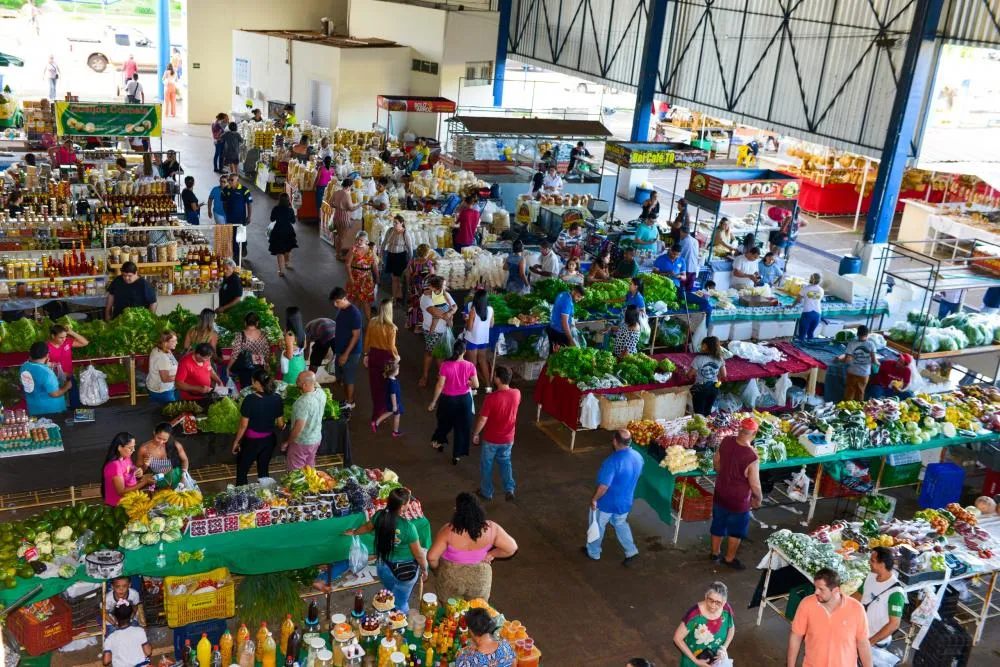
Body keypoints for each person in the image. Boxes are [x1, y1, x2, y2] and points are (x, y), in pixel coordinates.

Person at [344, 488, 428, 613]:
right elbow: (419, 555)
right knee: (400, 604)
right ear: (403, 507)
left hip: (383, 566)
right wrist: (425, 568)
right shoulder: (408, 527)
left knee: (389, 594)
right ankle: (397, 625)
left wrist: (354, 532)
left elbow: (367, 527)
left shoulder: (379, 515)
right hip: (404, 571)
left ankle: (386, 612)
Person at [428, 491, 518, 603]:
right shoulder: (491, 528)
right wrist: (491, 554)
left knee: (451, 612)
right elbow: (512, 548)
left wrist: (437, 569)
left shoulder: (448, 530)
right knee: (476, 609)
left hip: (451, 578)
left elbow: (432, 557)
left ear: (457, 510)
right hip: (480, 578)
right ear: (478, 509)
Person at [787, 568, 873, 667]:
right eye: (815, 587)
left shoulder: (856, 608)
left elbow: (863, 644)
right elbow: (796, 637)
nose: (816, 592)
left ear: (836, 590)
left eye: (821, 589)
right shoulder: (807, 604)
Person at [711, 417, 762, 569]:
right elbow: (755, 484)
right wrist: (758, 499)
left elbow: (716, 461)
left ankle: (714, 553)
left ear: (740, 430)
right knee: (736, 531)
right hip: (738, 501)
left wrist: (722, 473)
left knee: (718, 523)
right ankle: (729, 559)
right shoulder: (752, 457)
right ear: (754, 434)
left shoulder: (726, 441)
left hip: (720, 493)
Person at [586, 429, 643, 564]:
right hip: (625, 502)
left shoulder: (612, 462)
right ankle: (631, 551)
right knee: (621, 524)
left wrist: (594, 499)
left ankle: (593, 552)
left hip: (607, 503)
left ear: (615, 441)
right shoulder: (638, 457)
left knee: (598, 525)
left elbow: (604, 486)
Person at [473, 366, 521, 502]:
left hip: (491, 439)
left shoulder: (492, 398)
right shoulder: (517, 393)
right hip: (508, 438)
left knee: (486, 465)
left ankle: (486, 492)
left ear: (498, 379)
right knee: (505, 462)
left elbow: (483, 419)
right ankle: (509, 489)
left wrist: (476, 433)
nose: (493, 377)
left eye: (494, 375)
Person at [429, 339, 478, 465]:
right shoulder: (470, 365)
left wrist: (434, 402)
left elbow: (440, 385)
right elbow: (476, 385)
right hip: (464, 401)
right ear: (464, 352)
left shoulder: (445, 365)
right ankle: (456, 455)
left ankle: (438, 441)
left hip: (448, 400)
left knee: (444, 422)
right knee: (462, 427)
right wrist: (468, 383)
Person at [232, 369, 284, 485]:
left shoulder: (250, 399)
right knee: (264, 470)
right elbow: (280, 423)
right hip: (269, 441)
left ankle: (242, 497)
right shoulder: (277, 398)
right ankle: (265, 496)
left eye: (252, 380)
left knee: (242, 471)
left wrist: (236, 441)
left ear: (256, 383)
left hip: (252, 442)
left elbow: (243, 425)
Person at [673, 582, 735, 667]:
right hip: (694, 659)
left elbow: (731, 629)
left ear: (724, 602)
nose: (713, 605)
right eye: (710, 600)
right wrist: (696, 661)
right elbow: (677, 638)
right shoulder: (695, 615)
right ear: (706, 597)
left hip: (715, 658)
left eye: (718, 602)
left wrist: (723, 648)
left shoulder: (726, 610)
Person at [855, 547, 905, 649]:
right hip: (861, 632)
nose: (869, 562)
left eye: (872, 561)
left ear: (882, 564)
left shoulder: (896, 593)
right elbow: (858, 595)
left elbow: (894, 624)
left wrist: (870, 642)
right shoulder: (870, 576)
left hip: (875, 642)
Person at [364, 299, 400, 424]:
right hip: (386, 359)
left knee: (375, 388)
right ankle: (382, 414)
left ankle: (376, 414)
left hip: (374, 356)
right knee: (386, 388)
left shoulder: (372, 322)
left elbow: (367, 340)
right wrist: (397, 357)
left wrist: (366, 354)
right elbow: (391, 347)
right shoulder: (391, 327)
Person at [282, 371, 326, 470]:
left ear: (305, 385)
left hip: (302, 442)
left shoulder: (302, 402)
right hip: (316, 439)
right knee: (309, 468)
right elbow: (314, 382)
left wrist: (288, 442)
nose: (296, 381)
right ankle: (310, 484)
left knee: (295, 473)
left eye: (298, 380)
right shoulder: (321, 393)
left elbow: (299, 427)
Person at [419, 276, 456, 386]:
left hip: (444, 329)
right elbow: (436, 313)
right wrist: (449, 315)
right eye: (443, 285)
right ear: (434, 287)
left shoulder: (445, 293)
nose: (445, 287)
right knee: (430, 353)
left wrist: (449, 314)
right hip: (434, 331)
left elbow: (454, 306)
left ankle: (441, 376)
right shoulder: (425, 298)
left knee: (441, 355)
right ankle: (425, 376)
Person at [331, 287, 363, 409]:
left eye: (337, 302)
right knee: (343, 373)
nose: (335, 304)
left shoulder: (354, 314)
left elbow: (356, 336)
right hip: (341, 348)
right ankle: (346, 396)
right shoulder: (342, 309)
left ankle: (350, 402)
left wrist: (345, 354)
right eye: (334, 302)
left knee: (349, 377)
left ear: (345, 299)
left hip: (351, 352)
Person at [101, 432, 153, 506]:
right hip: (118, 505)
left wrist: (144, 467)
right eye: (130, 448)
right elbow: (121, 491)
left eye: (134, 447)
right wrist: (144, 482)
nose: (134, 450)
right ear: (119, 448)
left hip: (130, 499)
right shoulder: (114, 466)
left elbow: (132, 471)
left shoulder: (126, 458)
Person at [20, 341, 70, 416]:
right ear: (47, 355)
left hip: (33, 410)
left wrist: (46, 365)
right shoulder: (47, 373)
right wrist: (67, 386)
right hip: (52, 413)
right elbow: (54, 394)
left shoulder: (24, 366)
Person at [228, 312, 271, 389]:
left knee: (246, 389)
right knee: (258, 388)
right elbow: (267, 352)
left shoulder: (240, 335)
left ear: (245, 323)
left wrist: (228, 368)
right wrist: (267, 363)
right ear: (257, 323)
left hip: (245, 368)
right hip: (259, 367)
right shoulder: (263, 335)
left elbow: (235, 354)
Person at [137, 422, 189, 486]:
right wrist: (145, 465)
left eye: (165, 439)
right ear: (154, 432)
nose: (161, 442)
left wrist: (184, 476)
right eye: (159, 438)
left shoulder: (175, 445)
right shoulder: (144, 449)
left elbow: (185, 460)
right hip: (159, 479)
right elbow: (139, 469)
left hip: (178, 476)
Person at [102, 601, 151, 667]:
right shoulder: (139, 631)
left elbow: (106, 661)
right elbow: (148, 652)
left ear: (114, 618)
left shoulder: (110, 638)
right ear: (131, 615)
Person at [689, 336, 727, 416]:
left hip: (701, 389)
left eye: (702, 345)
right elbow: (724, 375)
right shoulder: (720, 358)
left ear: (705, 346)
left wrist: (686, 373)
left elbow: (689, 375)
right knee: (707, 411)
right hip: (714, 388)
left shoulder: (699, 359)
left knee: (699, 413)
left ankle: (700, 426)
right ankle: (707, 426)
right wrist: (715, 376)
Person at [839, 325, 878, 401]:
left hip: (852, 371)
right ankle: (858, 410)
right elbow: (874, 361)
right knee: (860, 392)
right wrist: (878, 363)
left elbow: (847, 359)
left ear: (857, 334)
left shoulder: (852, 343)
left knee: (849, 391)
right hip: (864, 373)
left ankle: (846, 409)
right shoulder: (871, 344)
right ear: (867, 334)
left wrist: (839, 359)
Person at [345, 231, 377, 323]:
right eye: (357, 239)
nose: (359, 241)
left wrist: (377, 278)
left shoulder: (371, 250)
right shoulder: (353, 250)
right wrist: (350, 278)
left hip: (367, 278)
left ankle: (368, 322)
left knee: (366, 301)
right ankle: (355, 321)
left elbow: (374, 265)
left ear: (366, 241)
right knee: (356, 299)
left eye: (361, 240)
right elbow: (347, 264)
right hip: (356, 277)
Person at [464, 289, 494, 388]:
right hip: (483, 340)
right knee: (483, 361)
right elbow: (491, 325)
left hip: (472, 339)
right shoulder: (490, 309)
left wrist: (467, 319)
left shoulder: (472, 310)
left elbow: (469, 328)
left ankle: (473, 388)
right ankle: (488, 386)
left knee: (472, 364)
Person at [382, 215, 414, 303]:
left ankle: (404, 297)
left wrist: (410, 262)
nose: (394, 224)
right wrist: (381, 254)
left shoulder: (405, 233)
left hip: (401, 257)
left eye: (396, 222)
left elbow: (410, 248)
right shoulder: (390, 230)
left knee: (401, 278)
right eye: (393, 222)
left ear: (402, 223)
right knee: (393, 278)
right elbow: (384, 242)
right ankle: (394, 297)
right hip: (391, 256)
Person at [222, 173, 253, 257]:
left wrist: (249, 217)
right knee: (232, 237)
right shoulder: (225, 190)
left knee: (240, 235)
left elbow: (249, 204)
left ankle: (243, 246)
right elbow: (224, 203)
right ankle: (235, 255)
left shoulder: (244, 190)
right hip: (230, 218)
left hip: (241, 219)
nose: (230, 181)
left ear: (237, 181)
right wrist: (226, 213)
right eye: (229, 180)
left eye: (232, 180)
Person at [331, 179, 362, 261]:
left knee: (338, 236)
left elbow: (331, 203)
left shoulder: (336, 192)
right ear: (349, 186)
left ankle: (337, 253)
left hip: (336, 216)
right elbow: (351, 208)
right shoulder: (347, 195)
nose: (352, 187)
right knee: (341, 237)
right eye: (352, 185)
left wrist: (338, 207)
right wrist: (360, 205)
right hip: (344, 218)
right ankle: (339, 255)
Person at [547, 284, 585, 350]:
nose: (579, 299)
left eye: (581, 298)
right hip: (559, 333)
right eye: (578, 296)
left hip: (553, 328)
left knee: (553, 356)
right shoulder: (567, 302)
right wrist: (571, 340)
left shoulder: (563, 294)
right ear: (573, 291)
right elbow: (564, 323)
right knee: (559, 356)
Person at [268, 193, 298, 277]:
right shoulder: (290, 210)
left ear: (279, 200)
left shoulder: (275, 209)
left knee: (279, 251)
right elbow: (293, 221)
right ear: (288, 200)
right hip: (288, 231)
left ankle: (281, 270)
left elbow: (272, 219)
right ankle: (287, 263)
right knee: (287, 248)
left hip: (277, 231)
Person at [372, 360, 404, 437]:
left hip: (389, 401)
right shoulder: (393, 383)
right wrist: (395, 406)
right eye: (397, 369)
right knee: (397, 415)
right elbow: (393, 395)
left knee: (389, 412)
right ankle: (395, 432)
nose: (398, 370)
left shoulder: (388, 379)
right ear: (393, 372)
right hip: (395, 402)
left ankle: (377, 422)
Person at [146, 330, 179, 403]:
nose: (176, 343)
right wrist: (180, 376)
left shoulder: (164, 349)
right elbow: (165, 379)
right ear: (165, 342)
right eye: (173, 341)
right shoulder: (162, 357)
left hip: (163, 388)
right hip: (163, 391)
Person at [795, 272, 824, 341]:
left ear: (810, 279)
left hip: (807, 313)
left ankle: (798, 350)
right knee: (810, 333)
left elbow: (798, 300)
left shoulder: (805, 288)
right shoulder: (821, 290)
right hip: (817, 314)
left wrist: (792, 306)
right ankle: (808, 349)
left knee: (802, 335)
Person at [678, 225, 700, 291]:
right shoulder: (695, 241)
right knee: (689, 289)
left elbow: (679, 254)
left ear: (682, 232)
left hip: (686, 268)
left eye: (680, 232)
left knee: (682, 288)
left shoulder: (684, 241)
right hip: (693, 268)